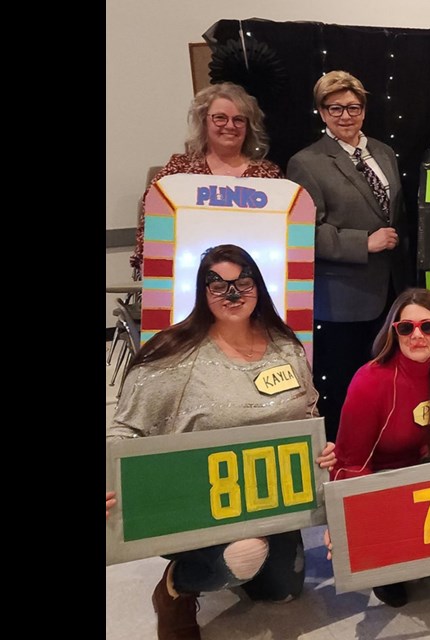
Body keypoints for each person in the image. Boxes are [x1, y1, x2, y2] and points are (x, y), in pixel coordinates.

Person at [106, 244, 336, 640]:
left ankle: (242, 559)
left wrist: (321, 450)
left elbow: (306, 414)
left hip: (270, 499)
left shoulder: (284, 346)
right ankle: (176, 587)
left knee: (282, 592)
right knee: (243, 555)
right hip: (199, 505)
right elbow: (124, 431)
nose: (232, 294)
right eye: (218, 285)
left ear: (258, 286)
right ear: (202, 291)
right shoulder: (173, 355)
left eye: (242, 283)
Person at [287, 70, 410, 443]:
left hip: (391, 290)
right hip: (342, 298)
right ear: (321, 113)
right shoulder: (306, 162)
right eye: (335, 108)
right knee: (345, 384)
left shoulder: (384, 153)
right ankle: (346, 455)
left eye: (353, 107)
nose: (345, 115)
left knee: (387, 378)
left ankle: (387, 445)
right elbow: (304, 230)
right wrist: (363, 243)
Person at [329, 288, 430, 608]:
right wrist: (350, 526)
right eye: (406, 328)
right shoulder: (370, 381)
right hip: (377, 479)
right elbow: (351, 462)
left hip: (423, 472)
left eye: (427, 327)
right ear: (394, 331)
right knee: (395, 577)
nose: (417, 335)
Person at [131, 83, 282, 278]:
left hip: (254, 280)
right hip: (187, 279)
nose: (230, 125)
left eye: (239, 119)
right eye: (220, 118)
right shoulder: (178, 171)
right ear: (204, 121)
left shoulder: (268, 174)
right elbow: (150, 227)